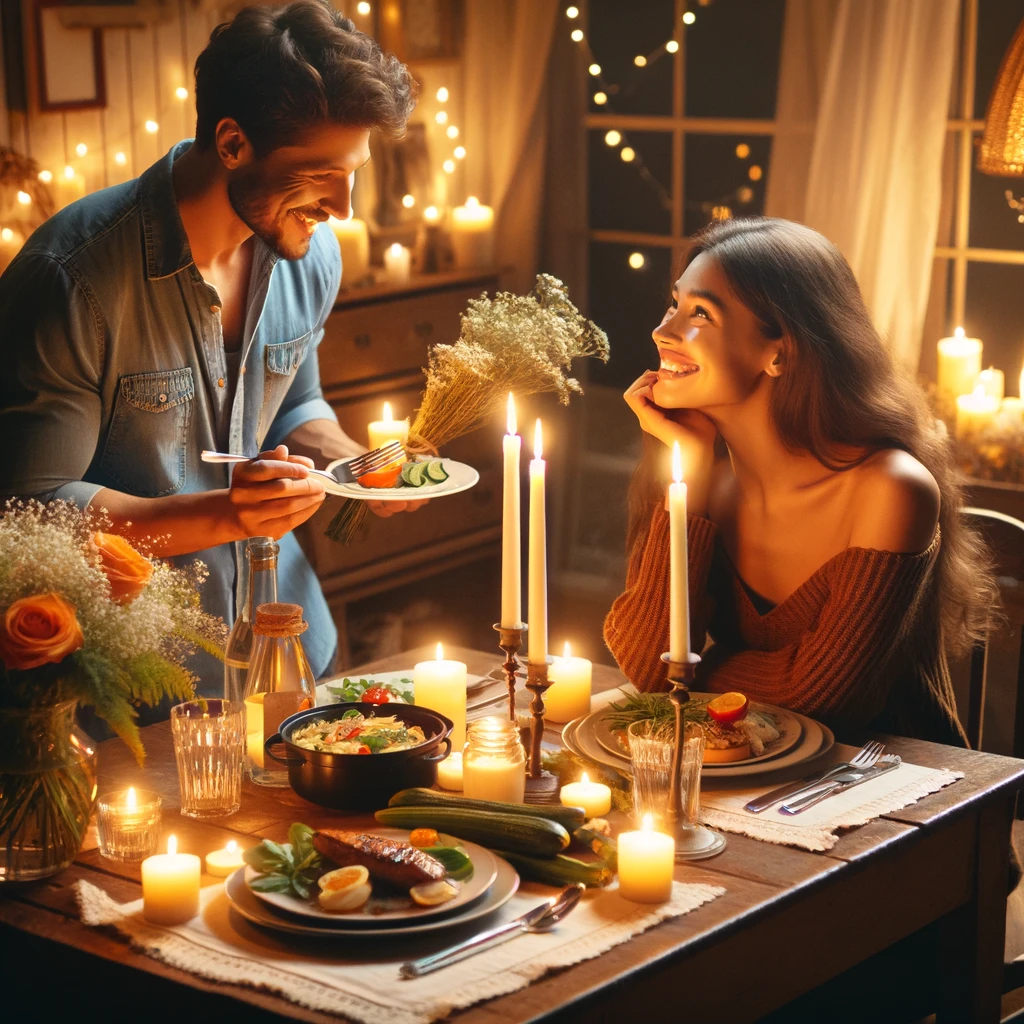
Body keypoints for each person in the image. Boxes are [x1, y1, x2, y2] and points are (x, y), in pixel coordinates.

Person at [0, 1, 425, 694]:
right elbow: (31, 510)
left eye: (355, 171)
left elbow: (295, 406)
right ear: (232, 143)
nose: (345, 207)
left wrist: (353, 464)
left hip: (293, 654)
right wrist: (225, 513)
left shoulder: (309, 256)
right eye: (323, 173)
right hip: (134, 694)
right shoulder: (70, 282)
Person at [604, 217, 996, 745]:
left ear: (779, 351)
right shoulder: (700, 479)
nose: (663, 331)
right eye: (674, 304)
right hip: (751, 769)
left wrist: (693, 674)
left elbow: (824, 699)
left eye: (701, 313)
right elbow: (646, 663)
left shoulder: (890, 490)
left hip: (894, 785)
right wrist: (688, 474)